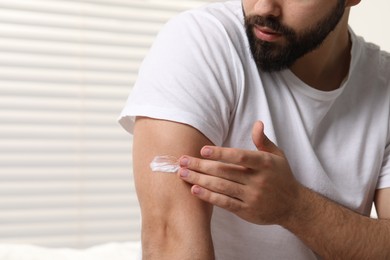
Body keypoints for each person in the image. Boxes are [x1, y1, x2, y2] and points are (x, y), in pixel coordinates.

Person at [119, 0, 390, 259]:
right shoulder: (200, 42)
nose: (263, 8)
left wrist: (295, 207)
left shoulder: (383, 84)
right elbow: (169, 238)